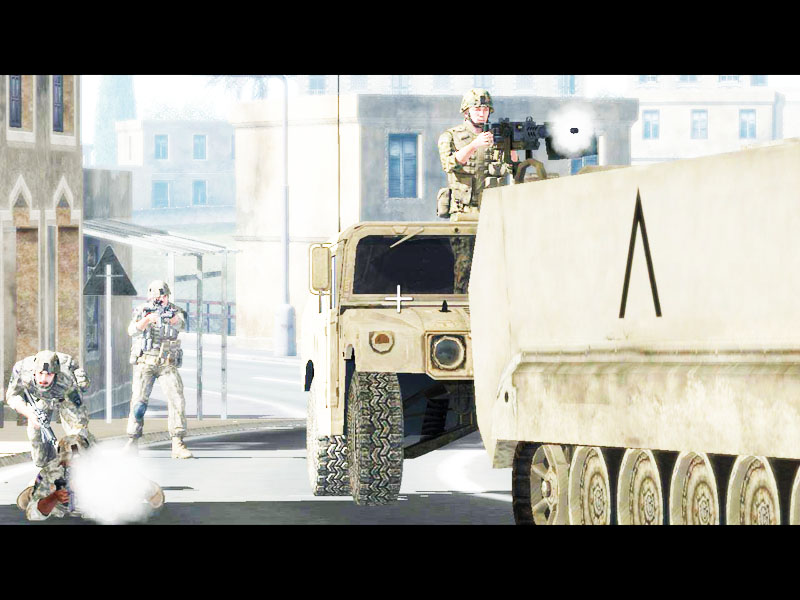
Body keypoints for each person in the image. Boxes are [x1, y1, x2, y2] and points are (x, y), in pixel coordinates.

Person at [437, 88, 518, 293]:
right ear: (467, 112)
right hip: (463, 212)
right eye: (477, 109)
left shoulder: (496, 137)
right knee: (464, 267)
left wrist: (511, 146)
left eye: (485, 109)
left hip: (492, 212)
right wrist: (474, 145)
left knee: (496, 268)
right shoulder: (451, 136)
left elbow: (512, 168)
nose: (482, 113)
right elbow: (449, 164)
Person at [16, 434, 165, 521]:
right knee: (27, 501)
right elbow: (32, 514)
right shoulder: (51, 472)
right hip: (60, 509)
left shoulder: (104, 467)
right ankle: (31, 490)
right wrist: (53, 497)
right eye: (68, 461)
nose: (73, 465)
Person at [125, 280, 193, 459]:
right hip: (145, 361)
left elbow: (182, 324)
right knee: (138, 402)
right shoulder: (142, 310)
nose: (160, 299)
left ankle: (177, 442)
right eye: (157, 297)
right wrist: (147, 320)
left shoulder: (175, 310)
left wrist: (171, 318)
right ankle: (132, 440)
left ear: (167, 296)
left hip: (167, 362)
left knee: (177, 399)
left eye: (163, 296)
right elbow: (132, 330)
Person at [5, 350, 93, 468]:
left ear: (56, 374)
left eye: (49, 374)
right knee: (37, 446)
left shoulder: (67, 377)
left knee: (77, 434)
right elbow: (12, 396)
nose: (43, 378)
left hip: (65, 397)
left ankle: (83, 461)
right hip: (40, 398)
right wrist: (29, 414)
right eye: (40, 373)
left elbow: (77, 413)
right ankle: (49, 466)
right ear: (34, 371)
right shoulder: (22, 370)